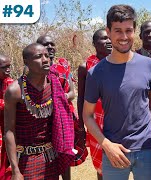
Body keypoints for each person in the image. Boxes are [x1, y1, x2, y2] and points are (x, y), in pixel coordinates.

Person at [83, 4, 151, 180]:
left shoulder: (149, 66)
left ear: (134, 32)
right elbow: (87, 115)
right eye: (118, 31)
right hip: (113, 152)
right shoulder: (96, 73)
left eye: (129, 30)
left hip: (147, 150)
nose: (124, 37)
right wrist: (106, 145)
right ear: (108, 32)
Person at [4, 43, 74, 179]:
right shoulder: (15, 91)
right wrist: (15, 170)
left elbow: (62, 124)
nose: (45, 60)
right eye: (38, 56)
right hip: (26, 159)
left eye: (47, 56)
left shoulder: (54, 85)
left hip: (51, 158)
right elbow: (9, 130)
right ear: (26, 62)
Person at [36, 35, 88, 180]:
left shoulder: (63, 66)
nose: (50, 47)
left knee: (65, 153)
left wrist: (58, 98)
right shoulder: (33, 69)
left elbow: (72, 93)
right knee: (48, 155)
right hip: (44, 118)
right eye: (46, 44)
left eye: (52, 44)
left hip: (65, 117)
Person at [77, 28, 112, 180]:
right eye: (103, 38)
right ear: (94, 43)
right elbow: (80, 97)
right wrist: (80, 125)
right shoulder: (85, 67)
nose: (108, 41)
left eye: (109, 38)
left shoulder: (118, 63)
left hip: (117, 121)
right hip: (94, 123)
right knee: (100, 166)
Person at [0, 54, 13, 179]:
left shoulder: (10, 83)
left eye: (9, 66)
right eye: (4, 67)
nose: (8, 70)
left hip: (6, 129)